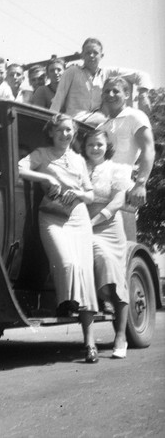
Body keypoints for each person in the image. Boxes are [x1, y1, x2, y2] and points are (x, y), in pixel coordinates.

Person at [18, 114, 99, 363]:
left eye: (69, 131)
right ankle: (66, 303)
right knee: (67, 263)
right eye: (61, 130)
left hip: (77, 217)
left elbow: (91, 194)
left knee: (84, 275)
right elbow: (20, 167)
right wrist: (46, 177)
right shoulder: (41, 154)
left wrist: (78, 193)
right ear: (51, 132)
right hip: (51, 216)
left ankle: (90, 343)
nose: (66, 134)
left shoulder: (78, 159)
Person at [82, 129, 130, 358]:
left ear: (106, 146)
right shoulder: (80, 167)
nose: (95, 148)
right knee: (100, 257)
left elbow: (118, 200)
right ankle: (106, 297)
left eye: (99, 144)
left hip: (109, 225)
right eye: (91, 144)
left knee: (116, 272)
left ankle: (120, 336)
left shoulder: (115, 169)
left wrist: (95, 220)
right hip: (85, 224)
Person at [51, 38, 152, 122]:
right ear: (82, 56)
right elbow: (59, 97)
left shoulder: (107, 73)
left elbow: (141, 75)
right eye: (88, 53)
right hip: (76, 119)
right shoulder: (72, 71)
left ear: (101, 56)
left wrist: (143, 94)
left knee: (124, 82)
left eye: (95, 53)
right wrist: (50, 120)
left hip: (98, 120)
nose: (91, 56)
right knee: (117, 123)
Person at [98, 77, 155, 208]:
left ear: (127, 94)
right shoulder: (102, 126)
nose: (110, 95)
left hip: (123, 192)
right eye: (106, 91)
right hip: (100, 191)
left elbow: (149, 149)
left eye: (115, 91)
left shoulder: (135, 117)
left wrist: (140, 184)